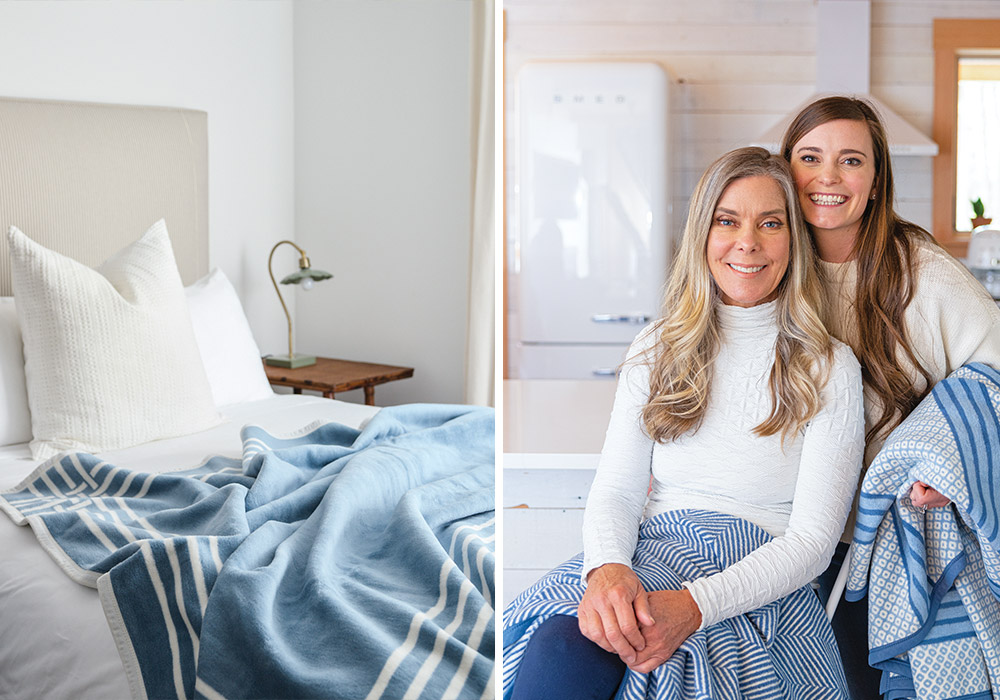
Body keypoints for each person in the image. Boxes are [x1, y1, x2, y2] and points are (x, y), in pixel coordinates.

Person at [503, 147, 865, 699]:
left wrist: (695, 606)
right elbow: (618, 490)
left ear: (794, 242)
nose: (748, 242)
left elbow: (813, 542)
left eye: (771, 223)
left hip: (761, 585)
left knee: (675, 672)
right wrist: (607, 570)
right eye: (728, 221)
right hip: (655, 553)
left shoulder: (829, 367)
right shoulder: (658, 346)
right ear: (703, 235)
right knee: (562, 643)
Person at [780, 94, 1000, 698]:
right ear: (786, 170)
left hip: (883, 540)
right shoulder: (769, 264)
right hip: (782, 532)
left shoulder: (921, 273)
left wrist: (954, 465)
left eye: (851, 160)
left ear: (876, 181)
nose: (828, 177)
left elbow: (995, 378)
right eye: (810, 157)